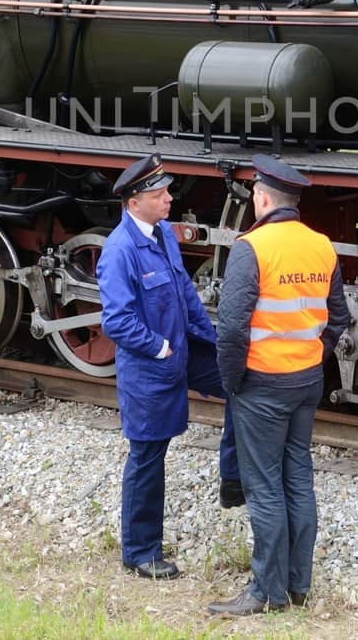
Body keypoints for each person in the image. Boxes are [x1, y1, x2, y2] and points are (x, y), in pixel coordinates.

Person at [209, 155, 348, 616]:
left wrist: (233, 382)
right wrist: (313, 358)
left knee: (264, 486)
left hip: (262, 384)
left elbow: (230, 329)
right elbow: (339, 317)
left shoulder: (253, 247)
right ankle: (298, 586)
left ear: (263, 198)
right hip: (305, 382)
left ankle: (266, 593)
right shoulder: (322, 246)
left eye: (254, 195)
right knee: (298, 479)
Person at [97, 153, 242, 581]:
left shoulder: (162, 233)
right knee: (147, 455)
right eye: (159, 194)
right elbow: (117, 321)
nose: (168, 199)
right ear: (133, 201)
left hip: (185, 349)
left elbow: (184, 292)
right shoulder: (119, 251)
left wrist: (212, 343)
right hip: (153, 366)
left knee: (239, 382)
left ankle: (233, 479)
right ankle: (140, 552)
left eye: (166, 191)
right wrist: (159, 348)